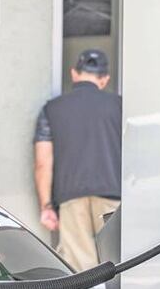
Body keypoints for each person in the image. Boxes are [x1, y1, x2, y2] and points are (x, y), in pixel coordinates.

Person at [34, 48, 122, 272]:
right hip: (113, 197)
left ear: (74, 73)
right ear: (104, 79)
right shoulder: (121, 107)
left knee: (81, 271)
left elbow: (43, 161)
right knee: (116, 265)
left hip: (71, 199)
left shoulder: (52, 109)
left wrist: (46, 206)